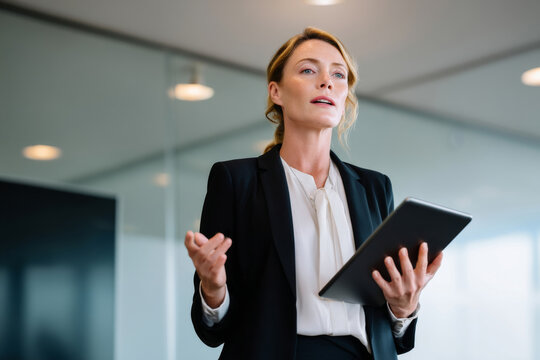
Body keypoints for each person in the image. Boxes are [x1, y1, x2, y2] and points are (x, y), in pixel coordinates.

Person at [184, 27, 443, 360]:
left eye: (339, 74)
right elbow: (212, 331)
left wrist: (403, 306)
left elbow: (394, 337)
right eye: (309, 70)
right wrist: (214, 288)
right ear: (275, 91)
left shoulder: (375, 188)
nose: (327, 82)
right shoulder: (236, 181)